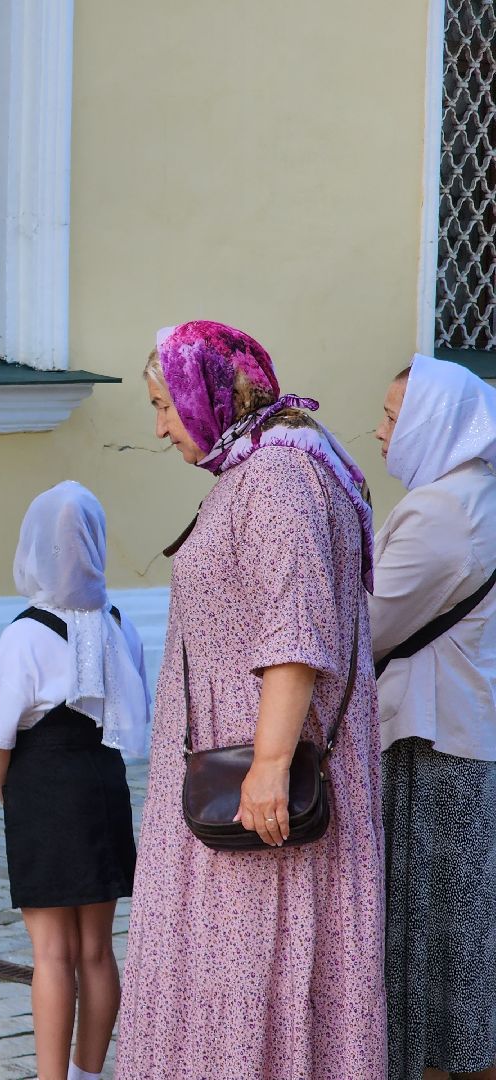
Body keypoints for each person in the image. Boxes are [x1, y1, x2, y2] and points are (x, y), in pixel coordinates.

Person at [116, 321, 385, 1078]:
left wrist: (268, 767)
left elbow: (295, 625)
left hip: (256, 796)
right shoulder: (266, 467)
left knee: (252, 972)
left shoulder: (275, 476)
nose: (161, 425)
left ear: (209, 394)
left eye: (165, 404)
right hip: (232, 783)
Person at [0, 481, 150, 1080]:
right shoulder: (121, 625)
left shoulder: (24, 634)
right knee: (97, 949)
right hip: (104, 787)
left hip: (43, 790)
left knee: (52, 952)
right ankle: (90, 1073)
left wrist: (9, 794)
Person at [372, 355, 496, 1080]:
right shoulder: (478, 493)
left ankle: (439, 1062)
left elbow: (370, 624)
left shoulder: (441, 510)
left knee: (431, 928)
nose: (383, 432)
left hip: (431, 737)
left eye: (394, 417)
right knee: (462, 927)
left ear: (433, 423)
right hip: (463, 726)